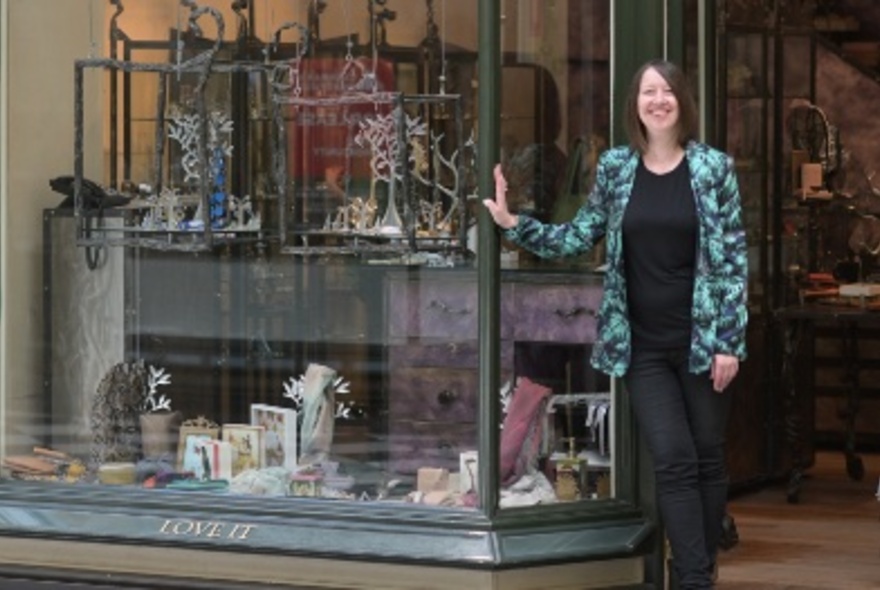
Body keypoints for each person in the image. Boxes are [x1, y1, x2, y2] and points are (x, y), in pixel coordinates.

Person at [483, 59, 748, 589]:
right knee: (673, 458)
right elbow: (581, 234)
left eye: (668, 91)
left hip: (702, 342)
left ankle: (699, 562)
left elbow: (734, 258)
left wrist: (729, 342)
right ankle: (694, 578)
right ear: (636, 104)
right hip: (642, 345)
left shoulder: (713, 168)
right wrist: (515, 225)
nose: (659, 100)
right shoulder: (616, 169)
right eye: (649, 91)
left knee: (707, 456)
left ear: (682, 103)